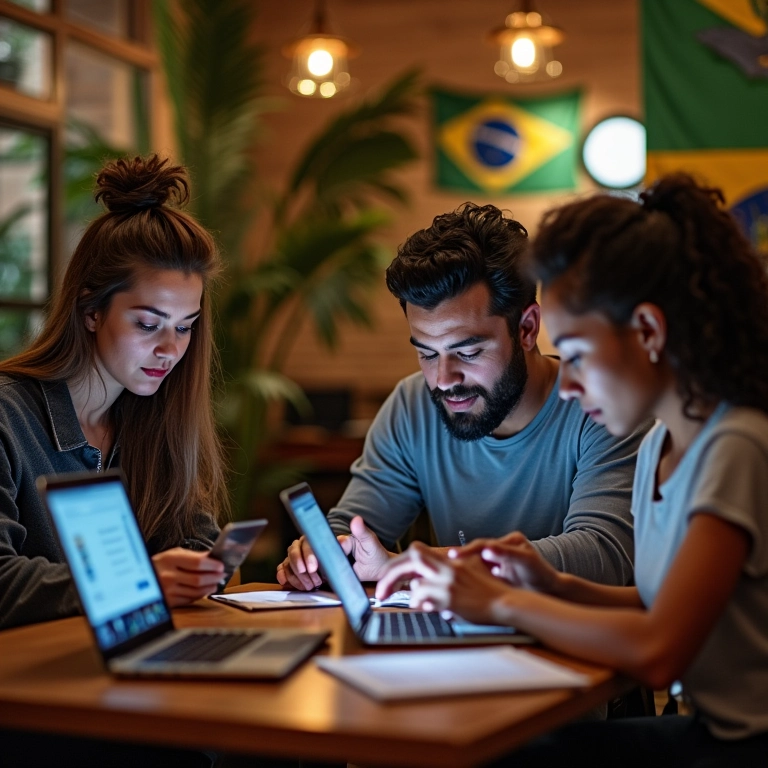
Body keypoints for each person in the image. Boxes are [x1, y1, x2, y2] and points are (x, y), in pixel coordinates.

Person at [376, 175, 768, 767]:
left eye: (579, 356)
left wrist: (501, 604)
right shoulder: (663, 444)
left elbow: (661, 651)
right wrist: (546, 582)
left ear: (649, 333)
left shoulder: (735, 446)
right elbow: (657, 605)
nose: (571, 382)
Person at [278, 203, 649, 591]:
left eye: (468, 353)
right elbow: (357, 528)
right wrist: (326, 555)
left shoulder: (602, 406)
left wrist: (414, 565)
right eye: (426, 353)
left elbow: (604, 555)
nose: (442, 380)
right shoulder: (412, 406)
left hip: (575, 647)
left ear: (526, 328)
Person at [0, 154, 229, 632]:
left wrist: (202, 568)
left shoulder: (151, 418)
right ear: (91, 311)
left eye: (185, 327)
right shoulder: (9, 416)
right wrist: (134, 583)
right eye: (148, 324)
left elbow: (195, 540)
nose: (170, 349)